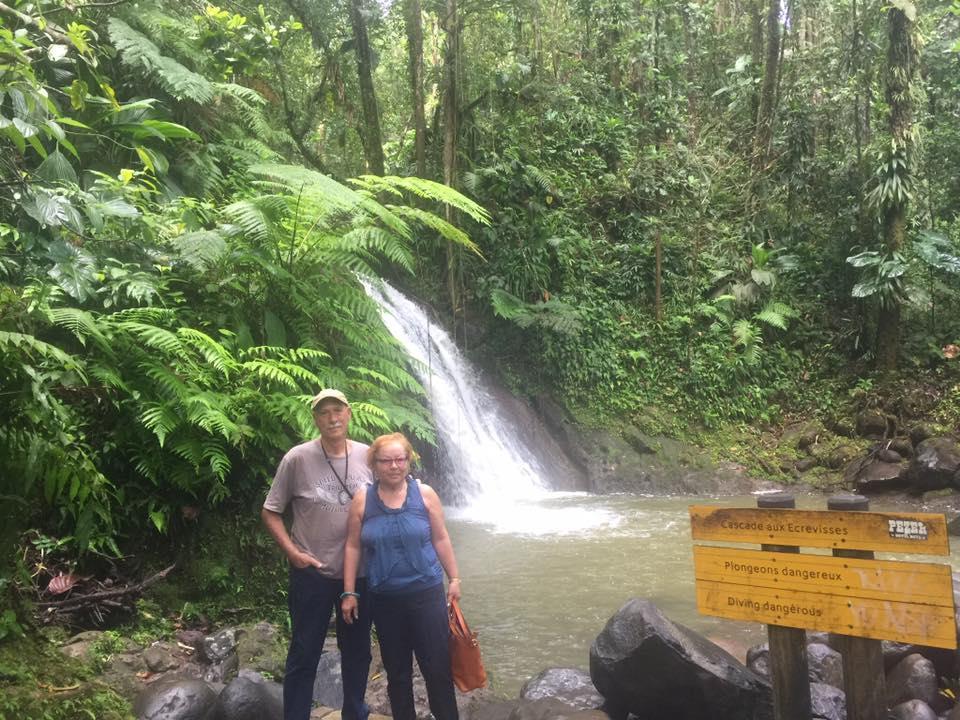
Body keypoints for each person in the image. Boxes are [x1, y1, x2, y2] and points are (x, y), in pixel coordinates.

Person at [262, 389, 373, 720]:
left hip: (359, 575)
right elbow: (270, 511)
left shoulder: (369, 456)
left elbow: (393, 499)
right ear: (315, 419)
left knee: (357, 651)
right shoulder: (297, 459)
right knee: (304, 651)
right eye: (324, 412)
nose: (332, 417)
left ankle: (356, 713)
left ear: (349, 413)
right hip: (311, 572)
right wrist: (293, 553)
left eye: (337, 410)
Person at [341, 432, 462, 720]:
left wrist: (454, 578)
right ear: (374, 464)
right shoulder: (362, 500)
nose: (394, 466)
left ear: (408, 461)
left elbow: (441, 538)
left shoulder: (425, 495)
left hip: (427, 595)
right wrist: (349, 592)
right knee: (397, 674)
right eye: (386, 460)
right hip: (384, 600)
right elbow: (353, 546)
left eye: (400, 459)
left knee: (438, 670)